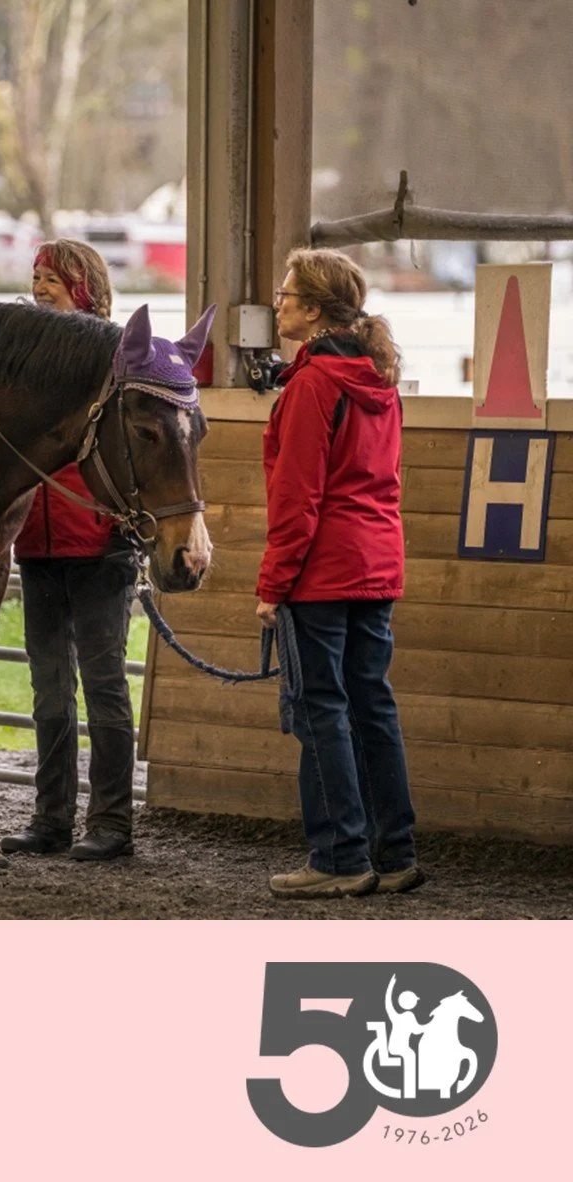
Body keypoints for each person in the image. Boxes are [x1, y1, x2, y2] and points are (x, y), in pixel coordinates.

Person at [258, 247, 424, 899]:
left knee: (319, 709)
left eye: (287, 292)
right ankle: (395, 850)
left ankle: (337, 856)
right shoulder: (379, 377)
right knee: (373, 704)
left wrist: (273, 586)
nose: (277, 300)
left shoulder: (313, 385)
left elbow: (298, 498)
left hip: (323, 571)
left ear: (315, 309)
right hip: (377, 563)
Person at [0, 239, 138, 862]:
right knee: (49, 689)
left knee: (104, 684)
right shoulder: (24, 359)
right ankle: (51, 819)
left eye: (51, 277)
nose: (39, 286)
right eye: (34, 276)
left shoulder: (115, 357)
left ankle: (111, 822)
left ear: (83, 284)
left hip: (99, 545)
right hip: (38, 543)